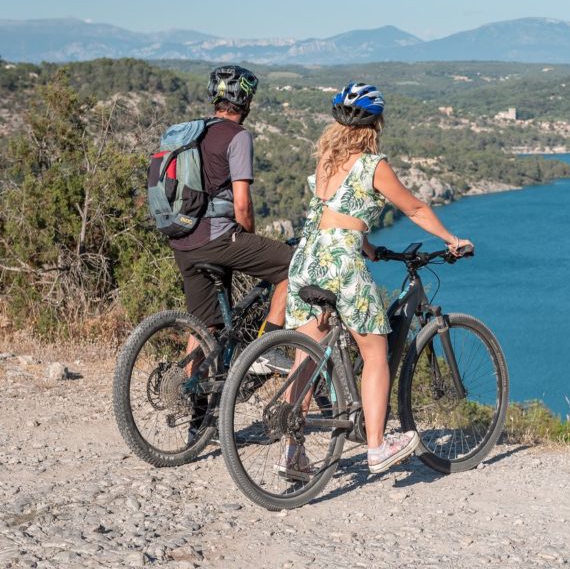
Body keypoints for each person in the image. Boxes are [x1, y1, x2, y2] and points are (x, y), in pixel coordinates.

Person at [279, 81, 472, 479]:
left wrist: (368, 246)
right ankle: (377, 446)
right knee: (374, 353)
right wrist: (453, 240)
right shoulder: (372, 165)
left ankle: (292, 452)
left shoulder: (326, 159)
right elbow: (416, 208)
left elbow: (334, 213)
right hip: (339, 263)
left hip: (306, 258)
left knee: (306, 356)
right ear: (376, 123)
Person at [170, 65, 294, 439]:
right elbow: (242, 204)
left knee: (204, 324)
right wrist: (249, 240)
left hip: (183, 241)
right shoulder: (237, 136)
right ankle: (269, 347)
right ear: (245, 100)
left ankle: (197, 424)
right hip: (221, 238)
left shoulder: (192, 133)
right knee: (295, 265)